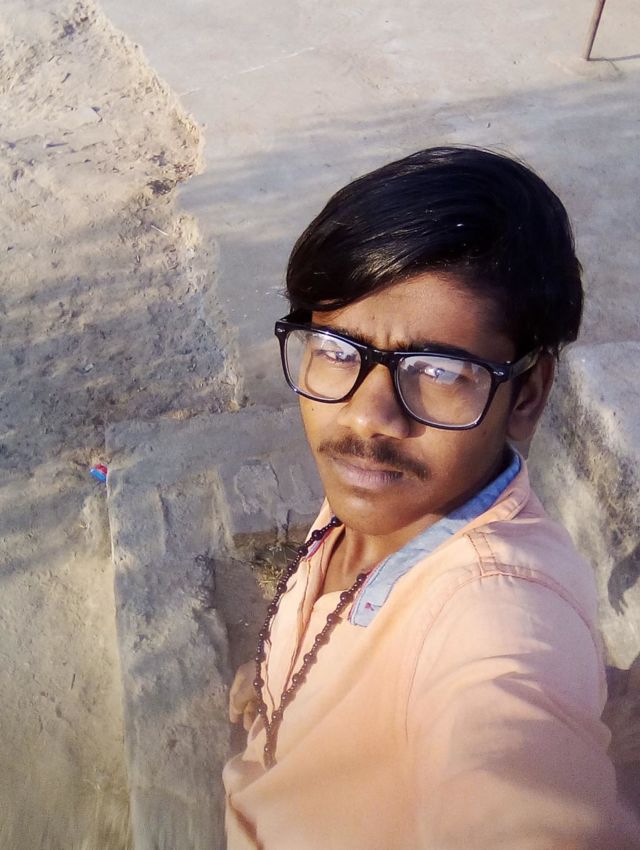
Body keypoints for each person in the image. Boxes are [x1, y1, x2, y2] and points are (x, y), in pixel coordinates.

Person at [223, 146, 640, 849]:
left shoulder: (498, 611)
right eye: (337, 350)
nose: (368, 417)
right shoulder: (390, 496)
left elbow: (517, 780)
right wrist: (275, 684)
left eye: (440, 370)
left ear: (528, 395)